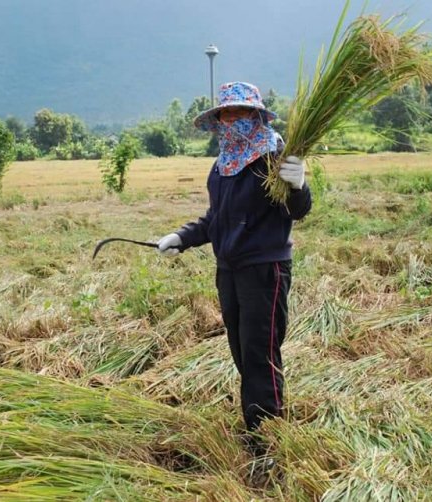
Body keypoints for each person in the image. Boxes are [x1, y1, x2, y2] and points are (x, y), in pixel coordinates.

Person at [156, 82, 312, 454]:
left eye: (241, 113)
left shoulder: (273, 157)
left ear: (256, 116)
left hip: (264, 269)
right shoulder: (223, 164)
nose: (232, 120)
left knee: (260, 351)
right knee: (241, 350)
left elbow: (298, 210)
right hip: (228, 269)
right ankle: (259, 418)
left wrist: (299, 185)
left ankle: (266, 438)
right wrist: (181, 237)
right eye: (226, 113)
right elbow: (216, 220)